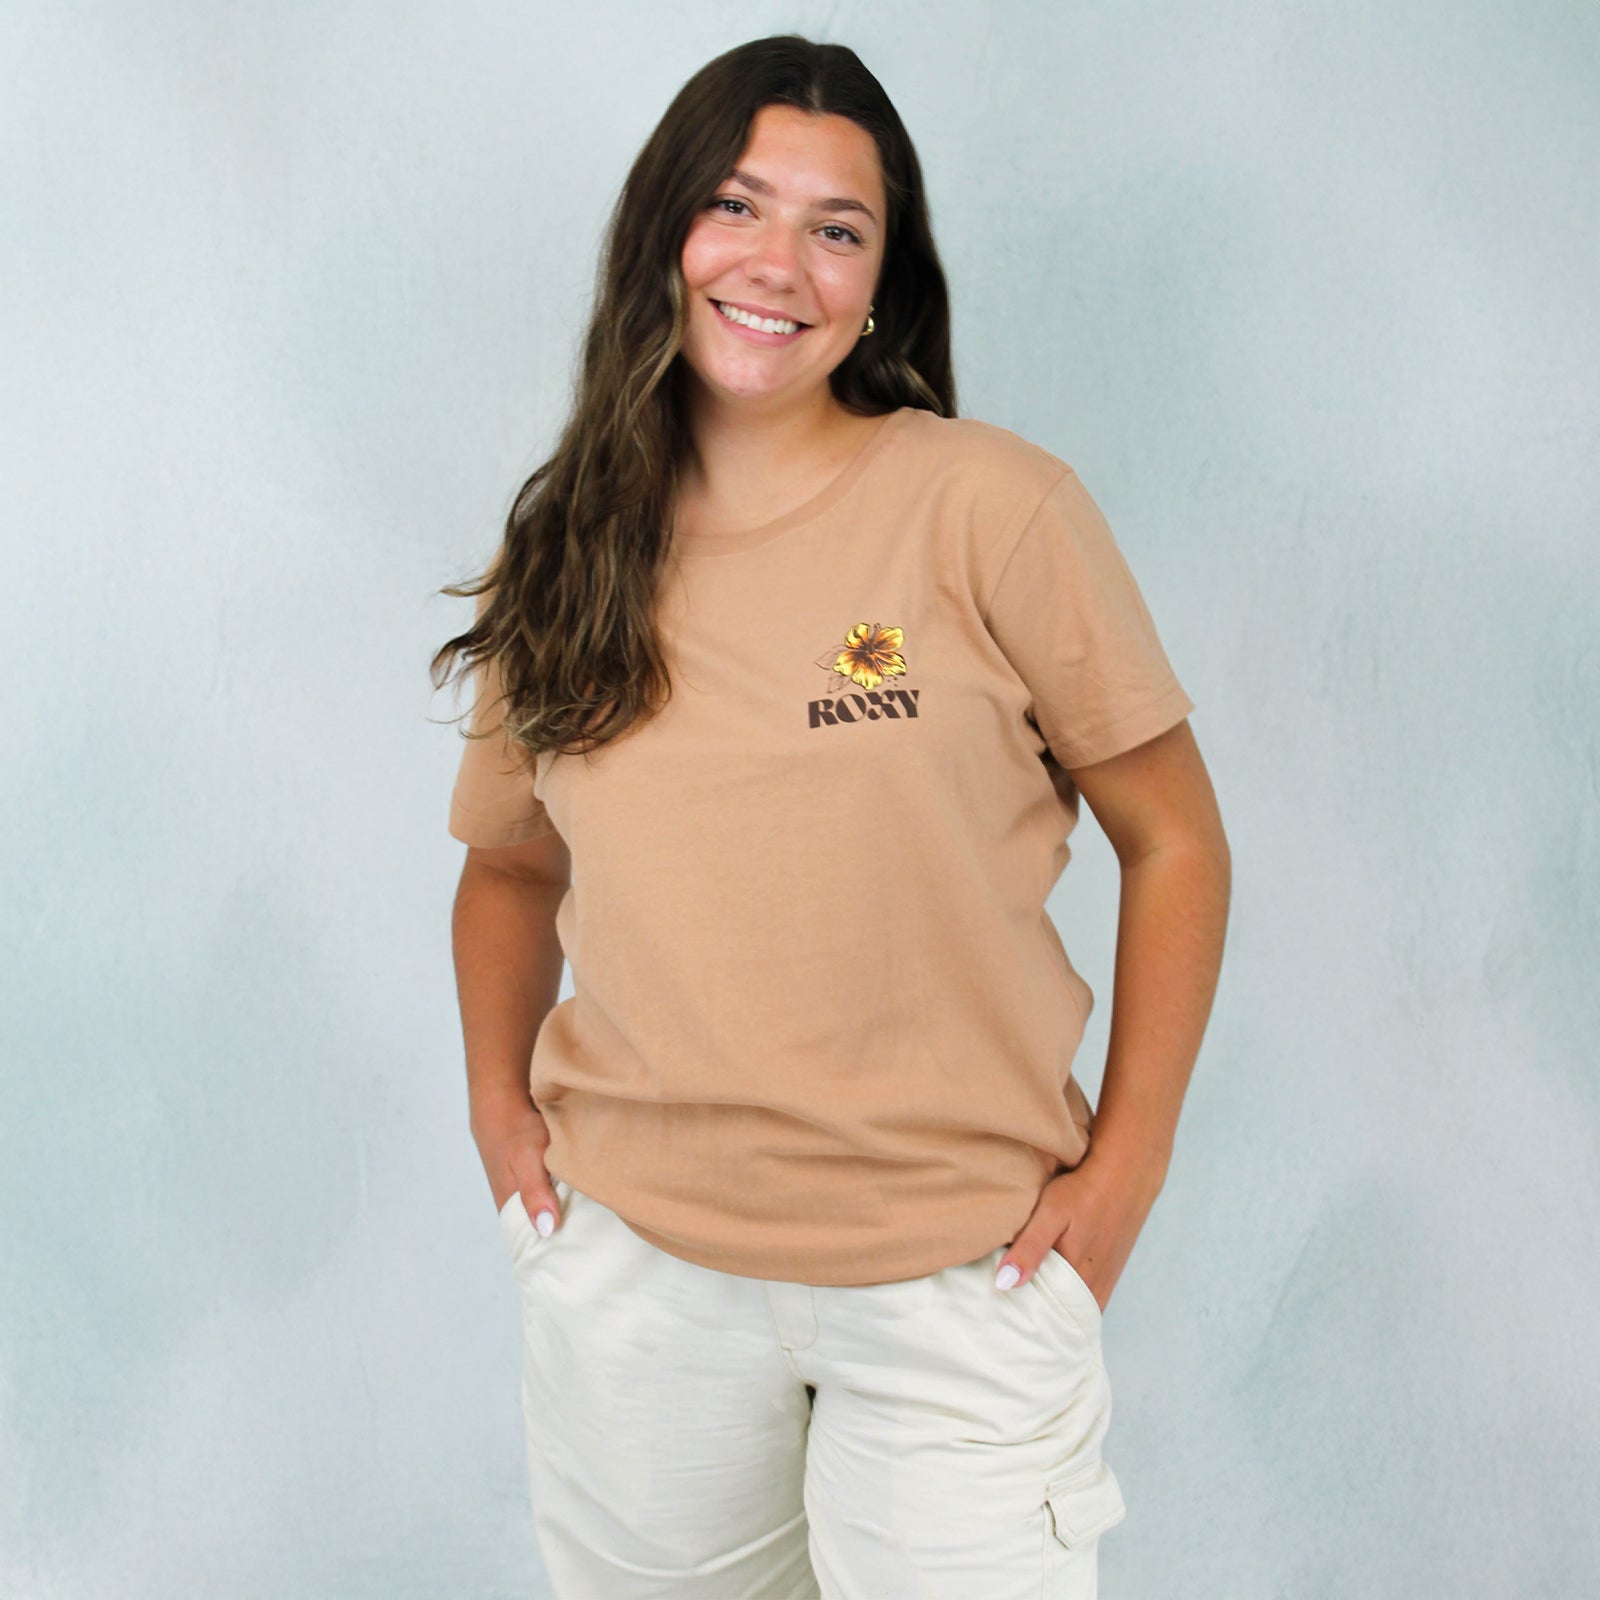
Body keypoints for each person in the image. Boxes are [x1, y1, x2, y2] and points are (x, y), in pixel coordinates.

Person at [433, 33, 1230, 1600]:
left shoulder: (992, 509)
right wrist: (497, 1114)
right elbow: (511, 869)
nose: (777, 264)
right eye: (736, 205)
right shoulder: (573, 545)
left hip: (959, 1281)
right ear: (664, 231)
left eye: (836, 228)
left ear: (881, 285)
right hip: (639, 1282)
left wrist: (1127, 1169)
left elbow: (1176, 840)